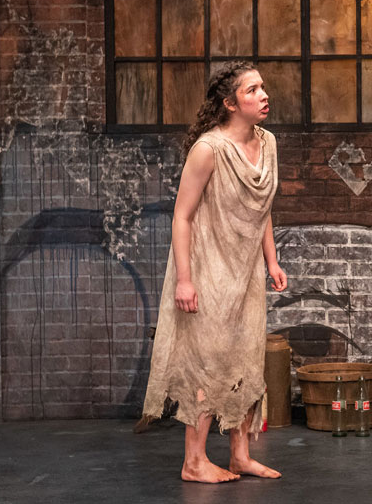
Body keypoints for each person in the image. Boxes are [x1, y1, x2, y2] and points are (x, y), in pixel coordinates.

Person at [140, 61, 287, 483]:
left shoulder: (268, 143)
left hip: (245, 270)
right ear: (229, 103)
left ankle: (239, 454)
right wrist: (184, 279)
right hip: (208, 268)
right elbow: (181, 217)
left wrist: (271, 261)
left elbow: (263, 211)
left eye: (263, 87)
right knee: (207, 360)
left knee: (245, 355)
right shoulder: (209, 149)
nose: (264, 95)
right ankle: (194, 461)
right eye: (252, 90)